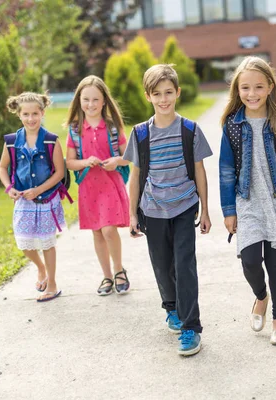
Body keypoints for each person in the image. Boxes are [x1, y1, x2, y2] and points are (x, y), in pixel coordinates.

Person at [123, 64, 212, 357]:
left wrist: (206, 210)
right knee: (162, 265)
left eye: (169, 92)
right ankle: (171, 308)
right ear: (148, 96)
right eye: (157, 93)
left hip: (185, 206)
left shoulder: (190, 129)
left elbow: (200, 171)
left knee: (184, 265)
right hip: (153, 210)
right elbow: (135, 176)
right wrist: (133, 214)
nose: (164, 99)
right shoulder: (139, 134)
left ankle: (191, 327)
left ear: (178, 93)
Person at [219, 56, 276, 346]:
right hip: (247, 202)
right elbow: (226, 170)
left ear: (271, 87)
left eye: (259, 87)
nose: (252, 93)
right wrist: (228, 210)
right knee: (249, 262)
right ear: (238, 90)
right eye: (246, 88)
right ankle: (261, 296)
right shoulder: (232, 125)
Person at [65, 76, 131, 295]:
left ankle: (119, 270)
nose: (90, 104)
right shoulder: (75, 130)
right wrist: (85, 162)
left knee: (109, 229)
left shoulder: (112, 127)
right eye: (86, 99)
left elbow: (128, 155)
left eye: (96, 99)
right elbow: (70, 163)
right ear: (79, 101)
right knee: (97, 233)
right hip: (88, 187)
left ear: (104, 101)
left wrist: (116, 161)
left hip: (110, 184)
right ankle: (106, 276)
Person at [0, 92, 66, 302]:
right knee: (25, 243)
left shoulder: (51, 140)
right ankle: (41, 268)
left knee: (47, 243)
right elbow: (2, 167)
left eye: (35, 113)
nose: (31, 119)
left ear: (42, 113)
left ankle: (52, 284)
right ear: (19, 115)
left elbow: (60, 173)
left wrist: (38, 190)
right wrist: (10, 188)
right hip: (23, 201)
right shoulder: (11, 142)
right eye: (26, 114)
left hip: (46, 200)